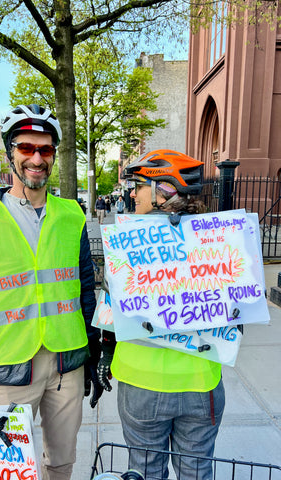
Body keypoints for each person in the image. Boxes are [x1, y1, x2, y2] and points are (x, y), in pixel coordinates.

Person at [0, 104, 104, 480]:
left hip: (66, 366)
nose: (36, 158)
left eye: (46, 149)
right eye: (26, 148)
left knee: (62, 462)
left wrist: (95, 352)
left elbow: (86, 287)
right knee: (6, 470)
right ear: (11, 153)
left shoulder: (72, 216)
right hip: (6, 372)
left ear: (54, 155)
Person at [97, 150, 225, 480]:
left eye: (138, 185)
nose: (131, 193)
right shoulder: (221, 239)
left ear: (161, 192)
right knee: (196, 473)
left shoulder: (128, 241)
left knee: (144, 473)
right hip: (200, 385)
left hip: (140, 384)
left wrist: (104, 355)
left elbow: (109, 315)